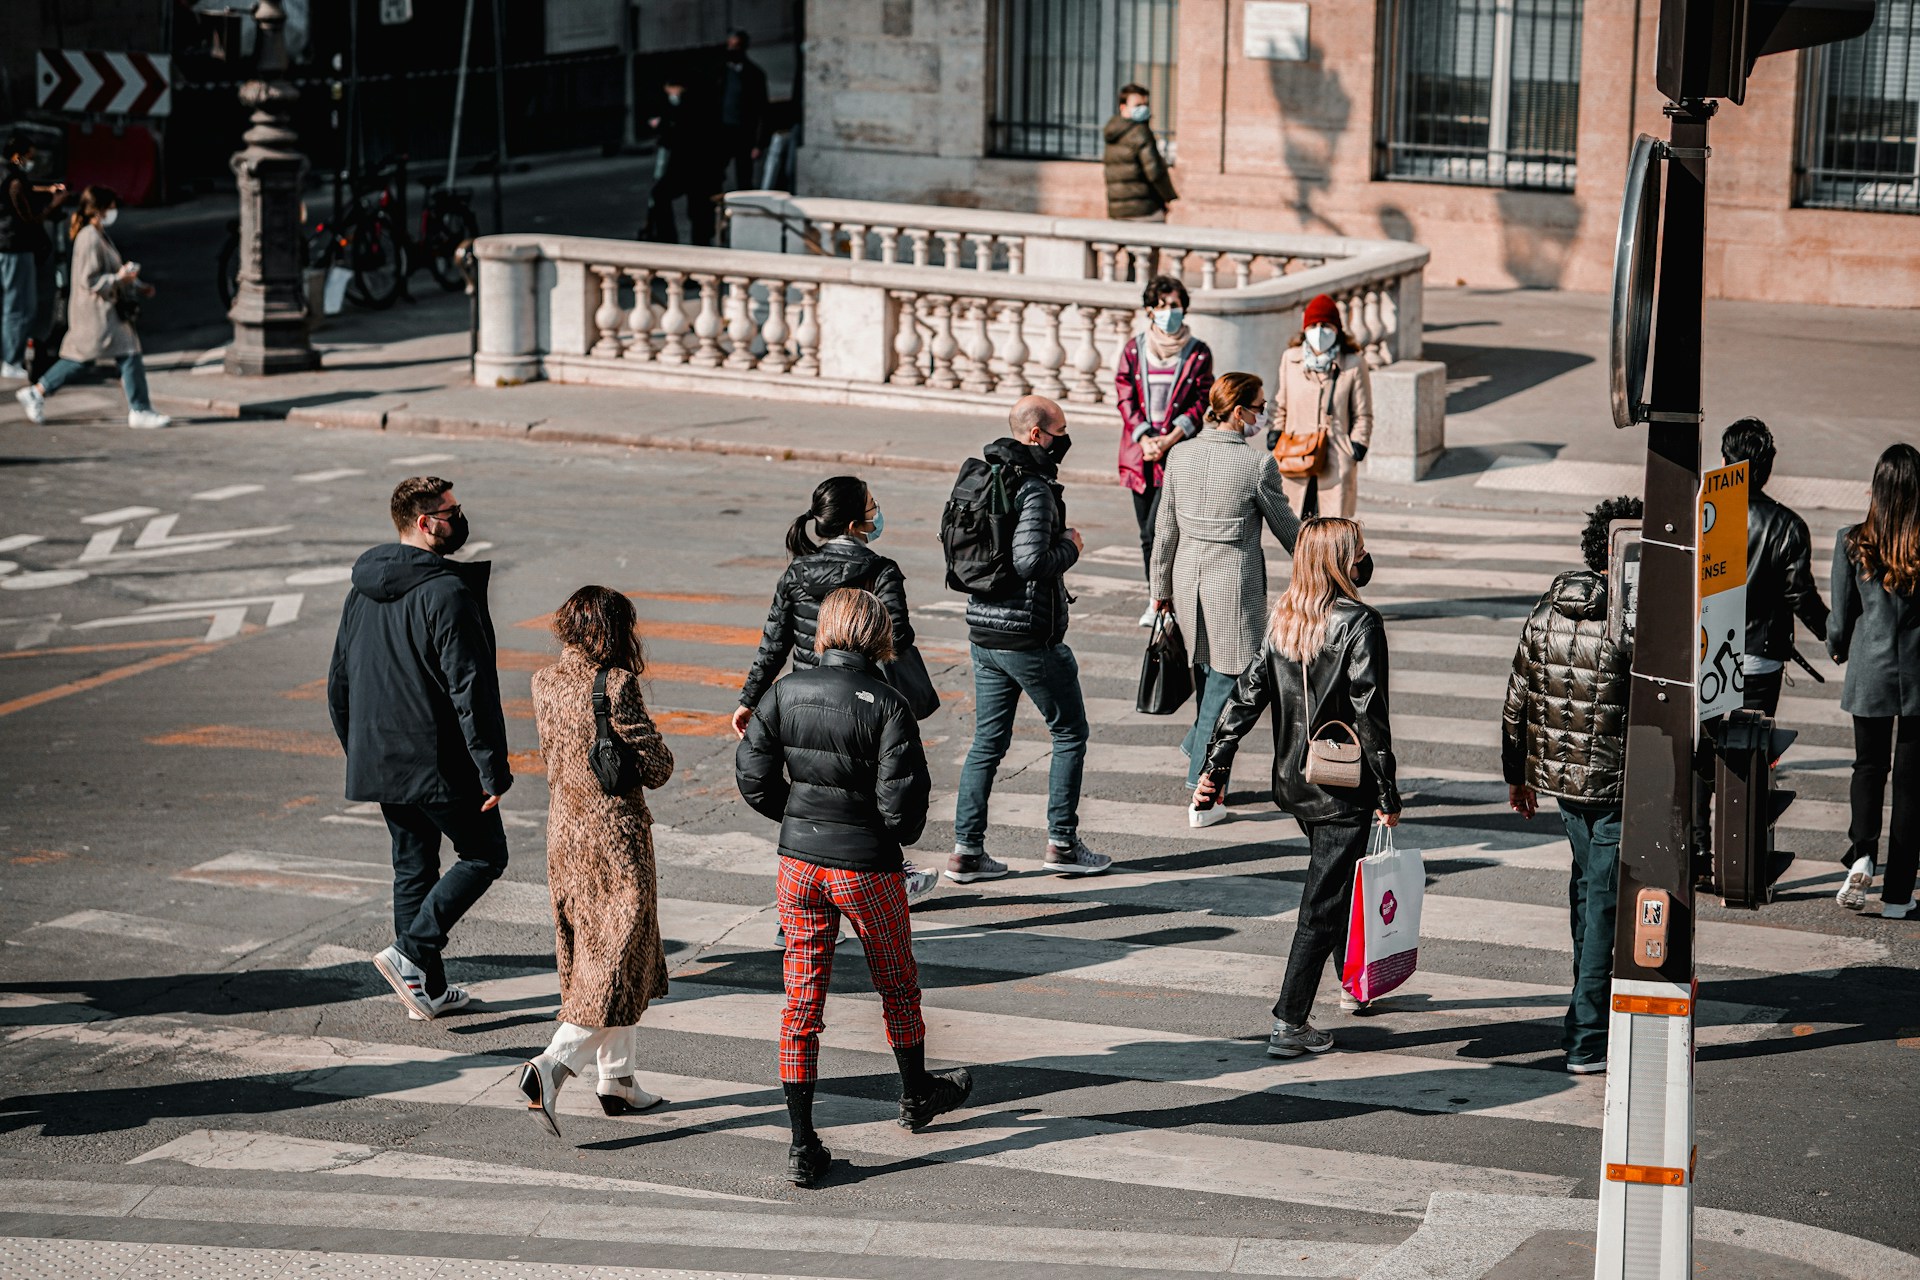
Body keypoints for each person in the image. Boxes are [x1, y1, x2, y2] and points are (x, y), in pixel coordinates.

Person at [735, 587, 973, 1188]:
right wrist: (865, 828)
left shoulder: (784, 692)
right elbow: (902, 812)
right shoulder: (889, 704)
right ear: (878, 636)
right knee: (897, 984)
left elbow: (753, 776)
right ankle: (916, 1094)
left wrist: (801, 816)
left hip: (798, 864)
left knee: (801, 1003)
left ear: (825, 631)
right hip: (866, 867)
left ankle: (801, 1143)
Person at [1195, 517, 1400, 1055]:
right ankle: (1290, 1021)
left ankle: (1353, 982)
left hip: (1296, 781)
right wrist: (1387, 790)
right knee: (1324, 901)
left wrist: (1215, 767)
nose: (1365, 558)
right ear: (1341, 561)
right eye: (1359, 550)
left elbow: (1244, 698)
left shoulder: (1284, 618)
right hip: (1343, 785)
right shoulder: (1360, 623)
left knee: (1337, 882)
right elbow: (1370, 714)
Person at [328, 476, 512, 1021]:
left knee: (413, 867)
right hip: (435, 760)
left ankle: (423, 990)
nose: (460, 519)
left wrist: (359, 749)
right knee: (485, 855)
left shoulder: (362, 590)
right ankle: (411, 952)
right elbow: (471, 689)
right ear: (426, 523)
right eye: (452, 512)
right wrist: (492, 769)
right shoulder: (446, 592)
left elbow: (339, 681)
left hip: (382, 756)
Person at [734, 474, 937, 903]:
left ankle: (802, 896)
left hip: (802, 703)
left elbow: (774, 644)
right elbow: (898, 635)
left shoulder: (796, 572)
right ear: (852, 523)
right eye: (871, 504)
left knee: (813, 788)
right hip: (862, 702)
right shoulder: (880, 570)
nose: (877, 511)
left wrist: (749, 700)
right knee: (871, 788)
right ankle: (885, 875)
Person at [519, 587, 677, 1135]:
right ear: (613, 631)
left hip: (565, 834)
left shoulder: (542, 682)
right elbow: (658, 767)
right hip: (615, 841)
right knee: (615, 957)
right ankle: (551, 1065)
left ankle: (618, 1079)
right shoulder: (616, 684)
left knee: (606, 950)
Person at [1501, 496, 1641, 1075]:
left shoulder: (1545, 610)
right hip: (1614, 787)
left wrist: (1517, 777)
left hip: (1562, 784)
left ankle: (1589, 1003)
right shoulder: (1631, 620)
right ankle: (1585, 1037)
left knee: (1587, 889)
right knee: (1603, 905)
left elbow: (1516, 701)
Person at [950, 395, 1111, 883]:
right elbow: (1031, 562)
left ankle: (966, 852)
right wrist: (1071, 546)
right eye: (1060, 431)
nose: (1066, 440)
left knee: (986, 742)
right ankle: (1062, 843)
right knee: (1070, 732)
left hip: (984, 631)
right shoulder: (1033, 487)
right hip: (1026, 635)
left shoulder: (984, 476)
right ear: (1037, 434)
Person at [1149, 372, 1300, 827]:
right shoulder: (1257, 465)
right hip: (1232, 587)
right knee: (1231, 683)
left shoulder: (1180, 454)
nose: (1263, 415)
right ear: (1238, 411)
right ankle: (1204, 787)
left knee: (1209, 678)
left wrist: (1159, 589)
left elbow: (1164, 529)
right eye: (1260, 407)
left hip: (1187, 581)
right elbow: (1287, 529)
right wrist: (1325, 560)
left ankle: (1201, 752)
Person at [1692, 418, 1830, 863]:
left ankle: (1697, 850)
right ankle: (1742, 856)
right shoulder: (1787, 525)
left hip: (1705, 655)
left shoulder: (1704, 513)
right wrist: (1835, 635)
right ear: (1768, 467)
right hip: (1759, 659)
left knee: (1702, 753)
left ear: (1724, 461)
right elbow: (1799, 595)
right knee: (1748, 759)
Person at [1828, 443, 1920, 917]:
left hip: (1869, 670)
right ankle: (1899, 895)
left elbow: (1841, 617)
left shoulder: (1852, 541)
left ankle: (1863, 853)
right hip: (1918, 675)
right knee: (1911, 784)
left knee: (1868, 768)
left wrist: (1838, 646)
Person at [13, 186, 168, 430]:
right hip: (97, 314)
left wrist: (136, 285)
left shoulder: (96, 234)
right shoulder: (89, 237)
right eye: (111, 207)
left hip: (101, 313)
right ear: (99, 210)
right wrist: (120, 278)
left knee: (91, 358)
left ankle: (37, 391)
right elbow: (90, 280)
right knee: (121, 354)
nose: (114, 211)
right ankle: (139, 409)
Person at [1116, 273, 1214, 621]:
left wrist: (1171, 437)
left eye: (1174, 305)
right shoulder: (1134, 349)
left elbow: (1202, 400)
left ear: (1184, 309)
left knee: (1161, 530)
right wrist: (1145, 437)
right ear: (1149, 310)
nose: (1168, 311)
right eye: (1161, 305)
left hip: (1177, 452)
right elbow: (1125, 395)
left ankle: (1167, 600)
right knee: (1147, 534)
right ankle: (1156, 599)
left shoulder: (1198, 353)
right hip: (1141, 453)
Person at [1269, 294, 1373, 520]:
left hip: (1336, 456)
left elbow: (1363, 414)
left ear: (1337, 329)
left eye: (1326, 325)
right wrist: (1276, 432)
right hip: (1295, 453)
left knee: (1331, 528)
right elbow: (1279, 403)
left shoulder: (1353, 363)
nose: (1319, 331)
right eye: (1313, 325)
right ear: (1304, 329)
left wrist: (1357, 445)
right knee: (1295, 526)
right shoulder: (1290, 359)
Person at [1, 132, 66, 380]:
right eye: (29, 157)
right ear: (17, 156)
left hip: (10, 247)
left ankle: (12, 357)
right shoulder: (13, 181)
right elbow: (29, 217)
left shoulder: (7, 174)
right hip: (15, 247)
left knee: (15, 305)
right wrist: (54, 204)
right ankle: (12, 360)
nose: (31, 161)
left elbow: (23, 188)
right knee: (19, 307)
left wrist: (47, 189)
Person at [642, 78, 719, 246]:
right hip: (696, 167)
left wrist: (661, 125)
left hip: (689, 166)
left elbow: (674, 135)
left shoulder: (685, 107)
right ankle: (697, 242)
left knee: (665, 196)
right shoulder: (694, 104)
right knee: (696, 207)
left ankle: (670, 239)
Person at [1103, 83, 1177, 224]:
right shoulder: (1140, 132)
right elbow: (1154, 171)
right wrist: (1167, 197)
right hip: (1145, 209)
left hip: (1117, 210)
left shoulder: (1112, 131)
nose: (1143, 109)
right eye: (1137, 105)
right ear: (1123, 107)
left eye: (1145, 105)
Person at [716, 29, 770, 193]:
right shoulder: (720, 72)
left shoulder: (754, 74)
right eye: (729, 45)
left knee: (744, 177)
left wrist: (759, 143)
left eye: (736, 46)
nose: (732, 50)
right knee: (714, 175)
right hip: (722, 130)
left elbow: (763, 110)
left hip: (744, 132)